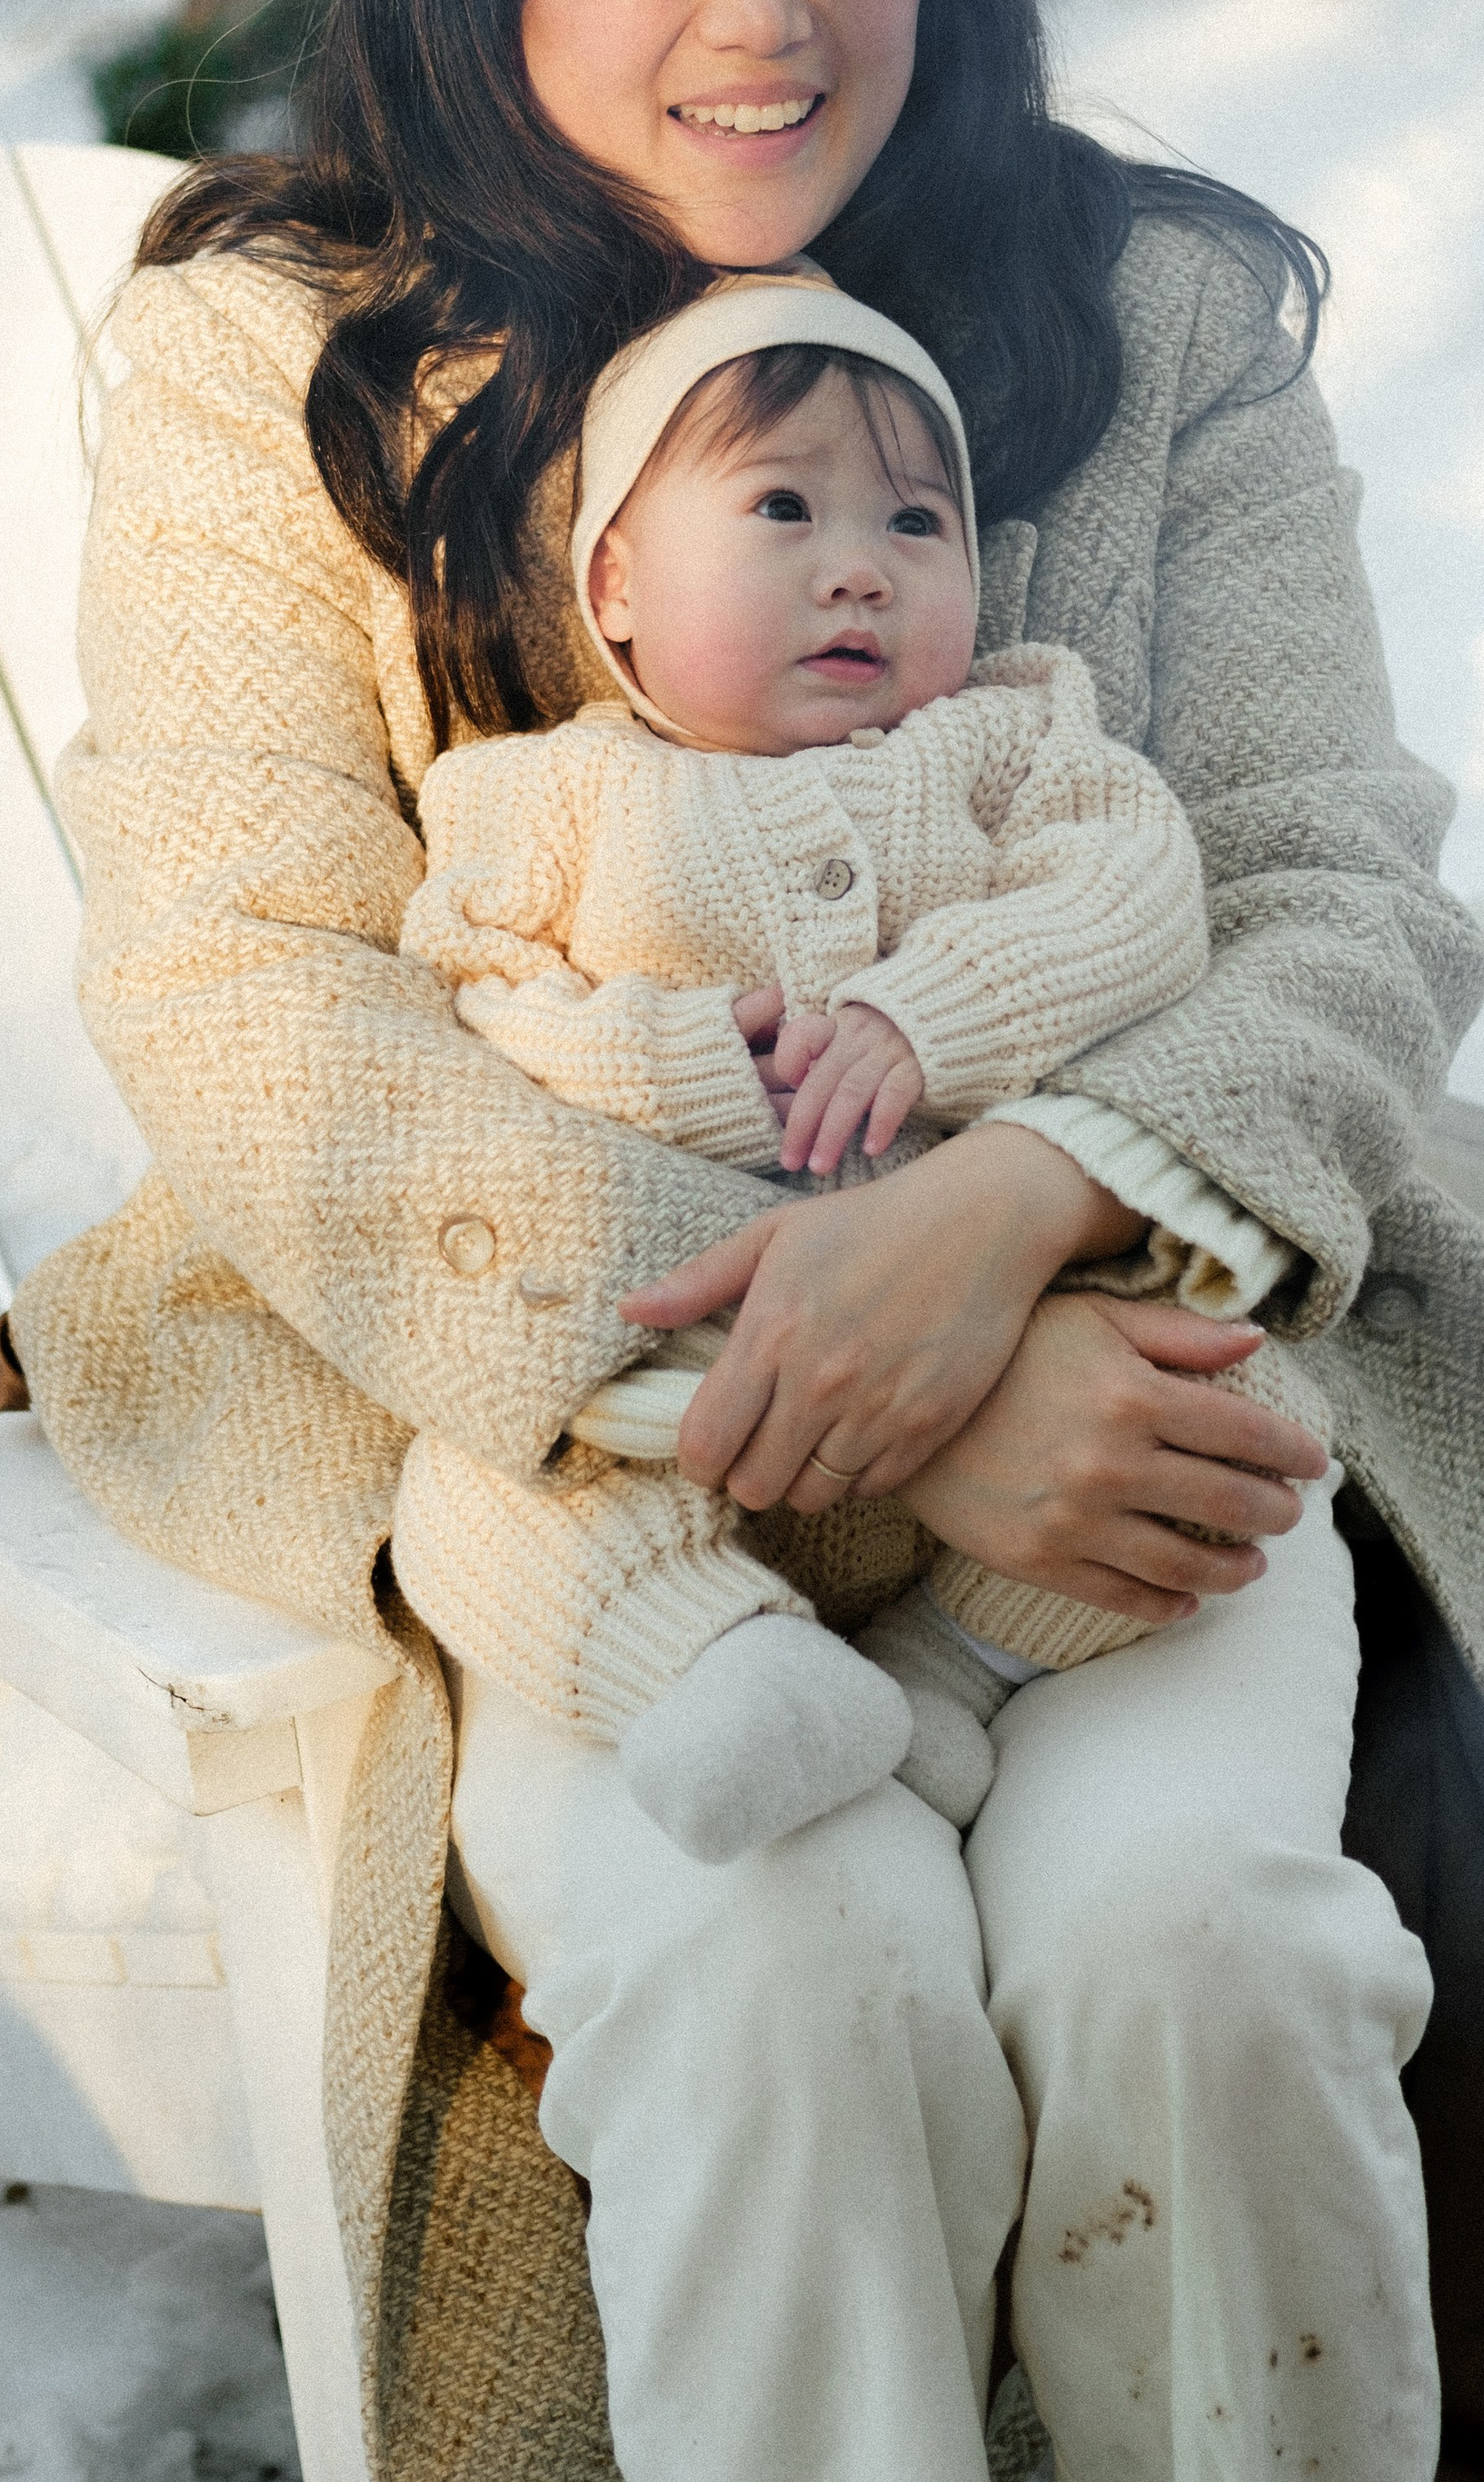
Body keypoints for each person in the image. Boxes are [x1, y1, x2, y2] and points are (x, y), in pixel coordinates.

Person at [12, 0, 1484, 2482]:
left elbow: (1334, 891)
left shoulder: (1147, 316)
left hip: (1151, 1427)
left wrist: (1018, 1218)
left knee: (1224, 1959)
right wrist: (862, 1375)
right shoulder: (282, 363)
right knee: (781, 1989)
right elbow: (254, 996)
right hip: (589, 1474)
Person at [390, 277, 1327, 1865]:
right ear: (614, 579)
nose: (857, 571)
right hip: (684, 1397)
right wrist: (682, 1060)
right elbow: (470, 995)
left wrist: (927, 1015)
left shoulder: (1012, 745)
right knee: (470, 1497)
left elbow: (1136, 896)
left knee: (1237, 1413)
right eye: (780, 506)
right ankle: (710, 1668)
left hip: (1004, 1354)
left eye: (915, 522)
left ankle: (948, 1670)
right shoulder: (552, 797)